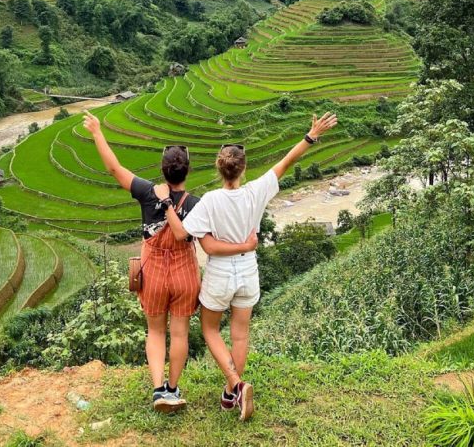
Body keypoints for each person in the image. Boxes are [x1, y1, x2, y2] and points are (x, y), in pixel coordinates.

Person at [156, 112, 338, 421]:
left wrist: (167, 203)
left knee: (210, 328)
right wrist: (311, 135)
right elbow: (287, 162)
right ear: (243, 168)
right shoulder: (256, 191)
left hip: (220, 273)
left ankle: (236, 385)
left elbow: (183, 234)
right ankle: (230, 396)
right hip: (248, 271)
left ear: (219, 167)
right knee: (240, 334)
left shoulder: (210, 200)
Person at [82, 113, 257, 413]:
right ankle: (174, 388)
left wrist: (97, 132)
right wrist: (245, 245)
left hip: (153, 273)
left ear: (163, 170)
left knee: (155, 331)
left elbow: (113, 167)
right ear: (187, 171)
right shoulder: (197, 204)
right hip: (184, 274)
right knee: (179, 332)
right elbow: (211, 239)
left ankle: (158, 390)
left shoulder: (148, 193)